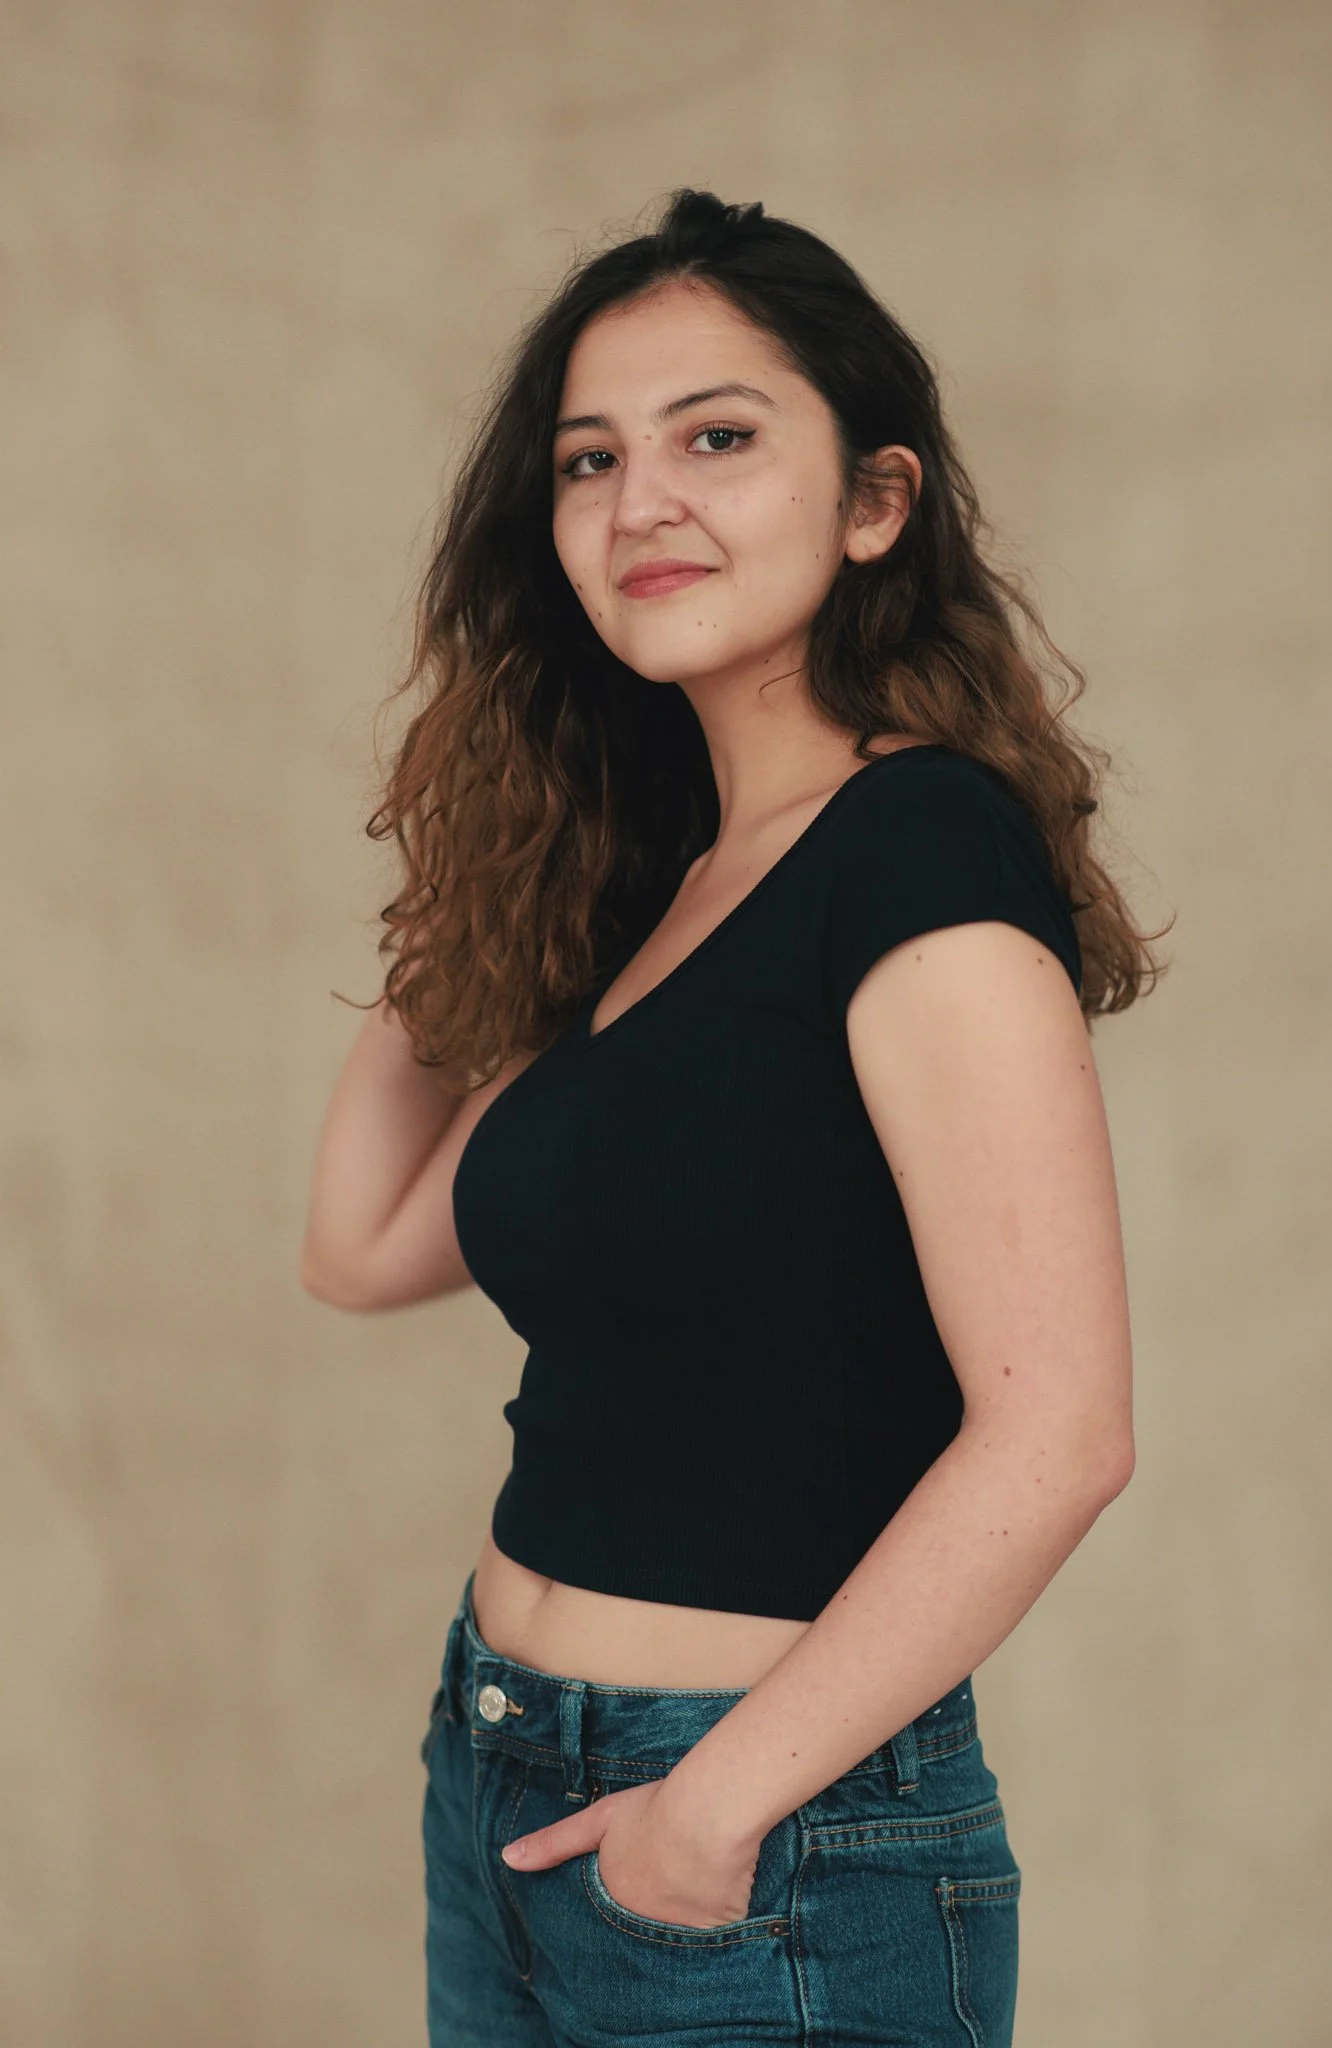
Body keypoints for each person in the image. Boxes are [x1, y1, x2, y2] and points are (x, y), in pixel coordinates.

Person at [300, 188, 1167, 2048]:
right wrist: (490, 843)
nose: (640, 505)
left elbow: (1062, 1430)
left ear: (875, 503)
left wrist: (709, 1815)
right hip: (505, 1780)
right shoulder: (660, 896)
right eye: (588, 461)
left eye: (719, 437)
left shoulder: (922, 849)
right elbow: (364, 1247)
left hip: (755, 1854)